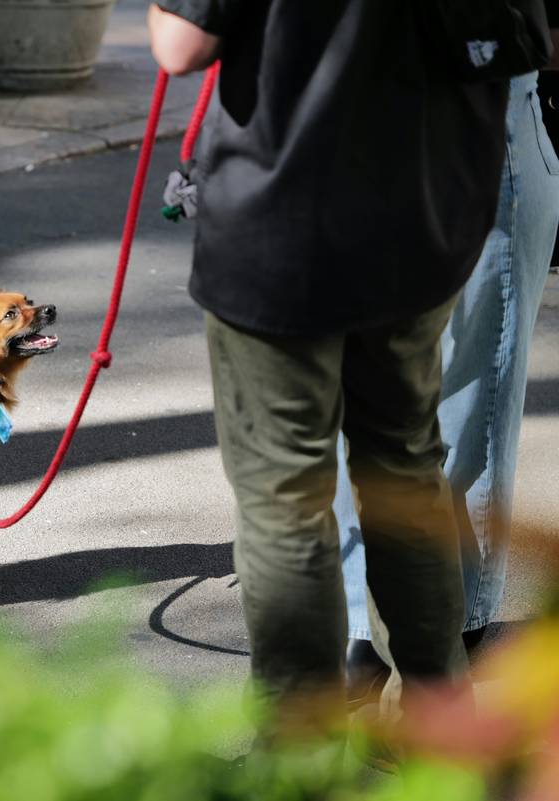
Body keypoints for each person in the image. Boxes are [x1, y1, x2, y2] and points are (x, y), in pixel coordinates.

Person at [147, 2, 511, 729]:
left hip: (283, 223)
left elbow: (179, 43)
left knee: (286, 500)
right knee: (405, 466)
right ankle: (440, 737)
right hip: (421, 218)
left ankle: (299, 759)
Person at [342, 55, 559, 701]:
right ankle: (380, 628)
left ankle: (441, 637)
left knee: (464, 397)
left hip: (476, 121)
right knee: (380, 403)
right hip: (364, 128)